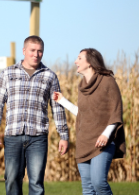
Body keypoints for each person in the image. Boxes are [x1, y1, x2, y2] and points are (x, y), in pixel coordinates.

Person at [0, 36, 69, 195]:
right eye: (32, 50)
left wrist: (64, 135)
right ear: (24, 51)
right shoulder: (8, 73)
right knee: (11, 180)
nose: (36, 54)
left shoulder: (49, 76)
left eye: (40, 51)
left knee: (37, 182)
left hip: (38, 137)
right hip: (13, 136)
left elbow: (57, 107)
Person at [53, 49, 125, 195]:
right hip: (84, 142)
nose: (75, 61)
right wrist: (63, 101)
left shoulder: (108, 81)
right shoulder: (82, 86)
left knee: (99, 183)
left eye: (79, 58)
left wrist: (106, 134)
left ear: (90, 62)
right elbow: (83, 114)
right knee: (87, 188)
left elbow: (116, 111)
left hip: (102, 142)